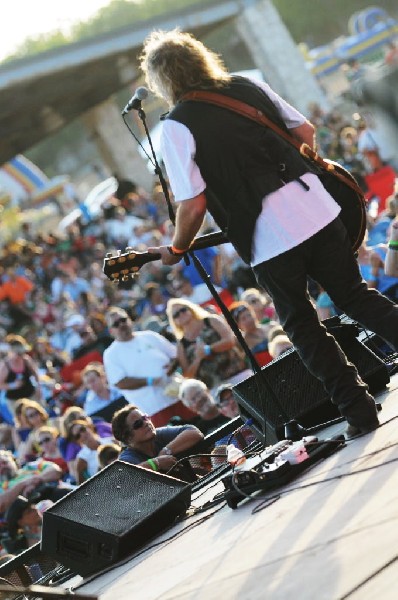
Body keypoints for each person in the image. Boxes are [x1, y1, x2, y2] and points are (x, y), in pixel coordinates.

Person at [141, 29, 398, 437]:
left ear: (163, 81)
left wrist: (177, 246)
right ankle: (360, 405)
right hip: (314, 207)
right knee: (356, 297)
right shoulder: (246, 86)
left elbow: (192, 204)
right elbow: (307, 132)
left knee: (303, 327)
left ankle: (360, 411)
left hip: (270, 237)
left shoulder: (176, 126)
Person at [103, 306, 194, 426]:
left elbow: (176, 354)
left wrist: (172, 366)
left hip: (181, 396)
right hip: (154, 409)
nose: (121, 325)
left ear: (130, 320)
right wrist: (150, 381)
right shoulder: (110, 354)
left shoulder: (149, 336)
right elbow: (120, 382)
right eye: (116, 324)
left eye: (123, 320)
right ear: (111, 331)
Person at [166, 298, 251, 393]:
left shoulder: (211, 321)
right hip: (215, 388)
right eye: (176, 315)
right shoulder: (181, 345)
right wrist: (198, 359)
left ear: (190, 308)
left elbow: (230, 341)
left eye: (183, 310)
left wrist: (208, 349)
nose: (181, 314)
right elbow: (187, 375)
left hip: (238, 373)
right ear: (174, 321)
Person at [111, 405, 203, 477]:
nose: (146, 423)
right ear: (127, 438)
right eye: (138, 423)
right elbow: (127, 477)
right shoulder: (127, 457)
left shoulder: (157, 434)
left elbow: (195, 432)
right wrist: (156, 463)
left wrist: (166, 451)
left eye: (145, 418)